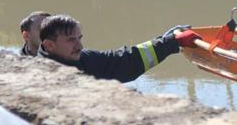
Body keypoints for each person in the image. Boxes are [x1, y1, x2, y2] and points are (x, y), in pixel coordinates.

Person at [37, 14, 200, 83]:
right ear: (49, 45)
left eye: (79, 38)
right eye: (70, 40)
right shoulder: (41, 75)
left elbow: (126, 61)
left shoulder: (84, 59)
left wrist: (168, 42)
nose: (79, 46)